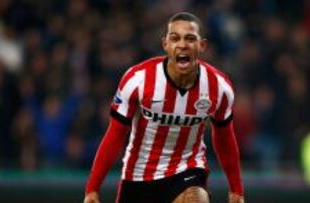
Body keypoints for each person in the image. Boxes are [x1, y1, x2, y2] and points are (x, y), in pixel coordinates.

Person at [84, 12, 244, 203]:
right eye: (175, 38)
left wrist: (236, 189)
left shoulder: (219, 87)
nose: (182, 44)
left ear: (202, 45)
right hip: (138, 176)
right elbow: (116, 134)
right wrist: (92, 189)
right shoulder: (137, 80)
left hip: (187, 171)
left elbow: (224, 137)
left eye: (190, 38)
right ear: (165, 45)